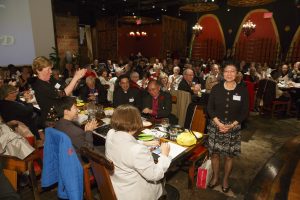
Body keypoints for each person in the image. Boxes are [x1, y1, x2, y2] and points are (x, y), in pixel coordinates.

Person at [105, 104, 171, 200]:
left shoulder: (110, 133)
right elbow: (155, 175)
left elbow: (124, 143)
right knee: (161, 177)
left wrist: (143, 143)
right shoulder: (137, 150)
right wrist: (165, 155)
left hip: (118, 186)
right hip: (136, 193)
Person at [206, 63, 249, 193]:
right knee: (215, 154)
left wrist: (231, 125)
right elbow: (209, 108)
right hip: (216, 125)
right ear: (222, 72)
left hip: (233, 127)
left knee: (229, 156)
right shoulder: (216, 88)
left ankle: (225, 179)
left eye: (232, 71)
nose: (229, 74)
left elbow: (245, 111)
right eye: (226, 71)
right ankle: (215, 177)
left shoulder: (242, 90)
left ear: (237, 74)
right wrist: (219, 124)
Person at [31, 56, 86, 126]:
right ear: (38, 70)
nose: (51, 72)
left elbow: (65, 88)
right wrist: (75, 77)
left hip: (61, 115)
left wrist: (78, 79)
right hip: (52, 121)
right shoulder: (40, 86)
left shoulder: (50, 79)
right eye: (48, 69)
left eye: (51, 69)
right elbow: (64, 93)